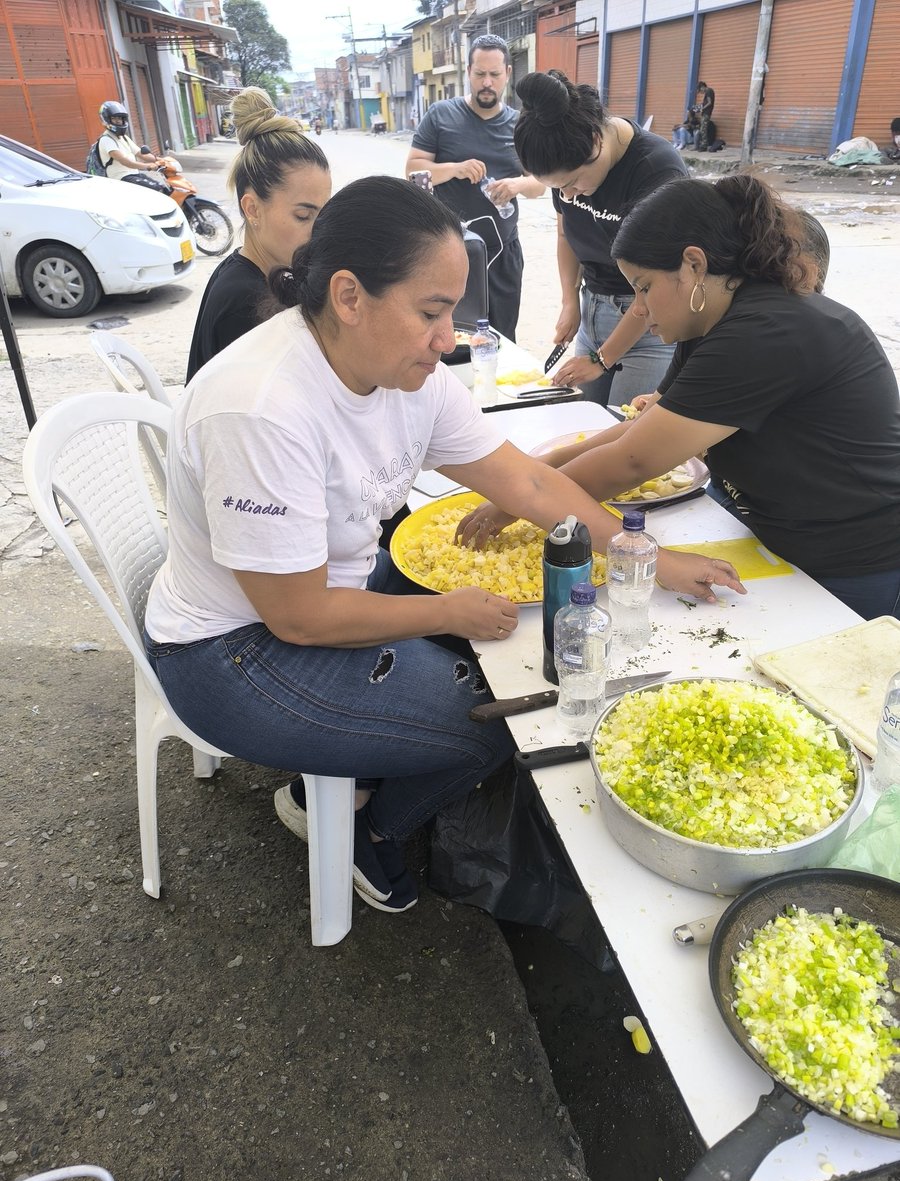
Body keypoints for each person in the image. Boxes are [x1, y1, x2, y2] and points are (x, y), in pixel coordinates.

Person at [144, 177, 744, 916]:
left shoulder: (409, 374)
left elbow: (524, 483)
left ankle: (339, 772)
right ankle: (372, 832)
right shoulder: (264, 407)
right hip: (232, 654)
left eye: (452, 313)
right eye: (431, 312)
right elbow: (297, 619)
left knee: (504, 667)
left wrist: (640, 555)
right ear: (349, 295)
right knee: (505, 723)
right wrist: (447, 612)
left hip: (327, 599)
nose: (448, 337)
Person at [464, 175, 900, 620]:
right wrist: (529, 478)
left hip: (849, 560)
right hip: (770, 526)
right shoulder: (715, 320)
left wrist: (522, 500)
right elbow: (637, 431)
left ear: (694, 265)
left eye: (644, 286)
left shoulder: (763, 331)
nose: (636, 309)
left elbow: (633, 462)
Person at [511, 69, 687, 407]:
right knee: (582, 424)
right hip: (593, 310)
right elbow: (566, 232)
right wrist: (569, 300)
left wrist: (602, 360)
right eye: (557, 188)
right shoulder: (565, 162)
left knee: (624, 437)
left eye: (573, 182)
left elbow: (654, 289)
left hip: (648, 326)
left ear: (595, 141)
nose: (568, 194)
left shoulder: (657, 173)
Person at [405, 34, 545, 342]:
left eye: (495, 75)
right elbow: (413, 172)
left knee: (503, 340)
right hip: (449, 250)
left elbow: (539, 185)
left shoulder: (520, 124)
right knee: (450, 339)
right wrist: (454, 168)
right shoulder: (441, 115)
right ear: (468, 72)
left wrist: (517, 183)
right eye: (480, 74)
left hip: (503, 253)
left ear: (508, 73)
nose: (487, 83)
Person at [185, 87, 331, 383]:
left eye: (324, 214)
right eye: (303, 216)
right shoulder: (245, 302)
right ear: (252, 209)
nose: (319, 232)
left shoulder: (254, 270)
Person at [96, 100, 169, 193]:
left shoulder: (124, 138)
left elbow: (141, 154)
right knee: (157, 190)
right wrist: (148, 166)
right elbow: (126, 162)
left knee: (163, 188)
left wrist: (160, 160)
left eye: (121, 118)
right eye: (115, 118)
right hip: (121, 179)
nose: (119, 121)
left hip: (134, 174)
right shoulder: (106, 140)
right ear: (106, 120)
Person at [695, 82, 715, 152]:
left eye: (700, 90)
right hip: (705, 113)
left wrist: (702, 108)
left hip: (706, 113)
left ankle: (704, 146)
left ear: (702, 87)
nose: (701, 92)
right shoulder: (708, 92)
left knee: (703, 130)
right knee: (702, 129)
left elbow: (710, 103)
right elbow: (706, 102)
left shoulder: (709, 91)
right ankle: (703, 145)